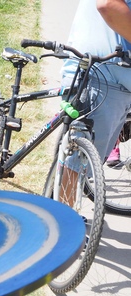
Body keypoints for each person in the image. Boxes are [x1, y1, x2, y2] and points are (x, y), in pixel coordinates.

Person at [59, 0, 131, 204]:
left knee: (83, 162)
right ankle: (61, 228)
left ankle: (60, 213)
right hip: (101, 73)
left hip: (112, 78)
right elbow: (108, 4)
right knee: (78, 162)